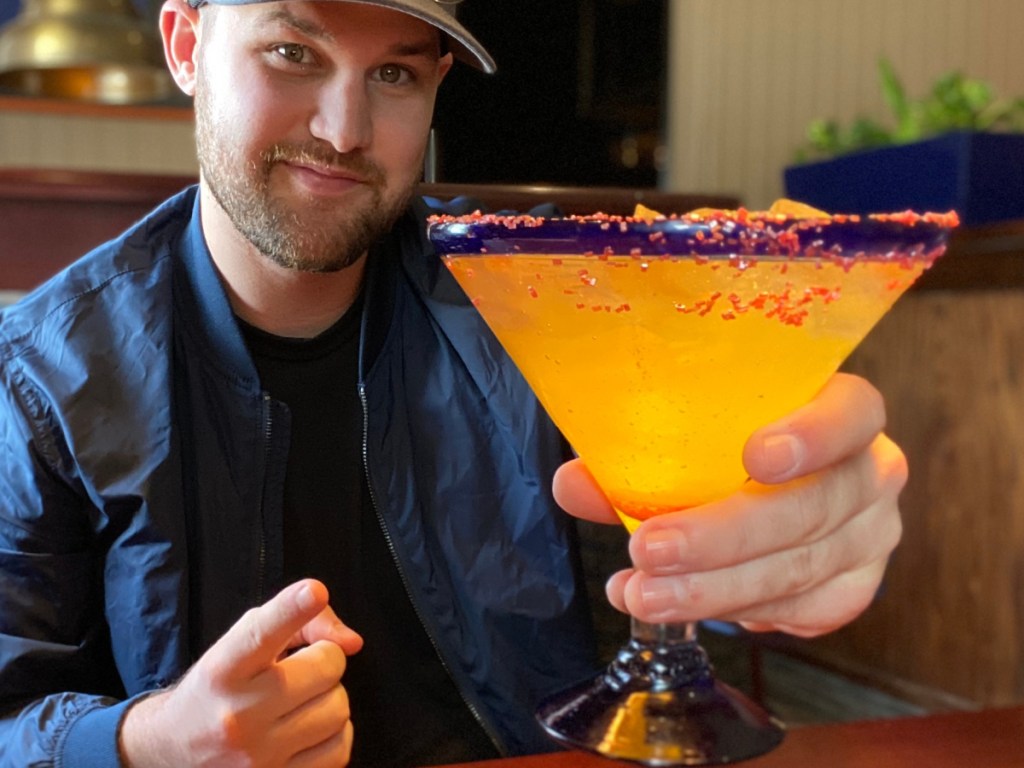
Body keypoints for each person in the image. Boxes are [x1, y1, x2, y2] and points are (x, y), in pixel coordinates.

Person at [0, 0, 907, 766]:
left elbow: (681, 545)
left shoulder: (536, 292)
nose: (343, 131)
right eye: (292, 52)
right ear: (187, 48)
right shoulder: (43, 372)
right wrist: (144, 741)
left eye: (395, 75)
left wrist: (789, 544)